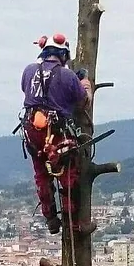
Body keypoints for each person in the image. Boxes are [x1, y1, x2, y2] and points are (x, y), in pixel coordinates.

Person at [20, 33, 93, 234]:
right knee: (68, 177)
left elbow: (28, 93)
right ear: (63, 55)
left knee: (42, 175)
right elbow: (83, 102)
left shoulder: (28, 71)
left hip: (33, 133)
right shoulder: (67, 76)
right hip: (58, 134)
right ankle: (72, 224)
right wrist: (85, 82)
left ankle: (51, 218)